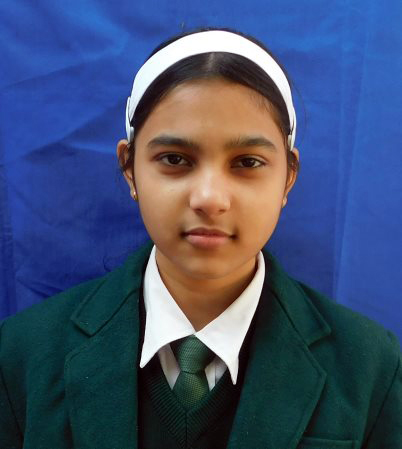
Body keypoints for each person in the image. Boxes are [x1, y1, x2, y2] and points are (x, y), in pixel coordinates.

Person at [0, 27, 401, 449]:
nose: (209, 198)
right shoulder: (24, 356)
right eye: (175, 159)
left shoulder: (369, 368)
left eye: (247, 162)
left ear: (288, 178)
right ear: (129, 168)